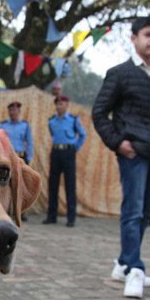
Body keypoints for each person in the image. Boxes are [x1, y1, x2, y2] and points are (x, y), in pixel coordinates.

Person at [91, 16, 150, 299]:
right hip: (134, 151)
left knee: (146, 213)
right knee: (132, 210)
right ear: (134, 38)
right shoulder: (120, 73)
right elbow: (99, 113)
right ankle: (136, 270)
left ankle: (123, 264)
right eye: (147, 34)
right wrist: (119, 143)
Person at [42, 84, 86, 227]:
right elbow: (52, 134)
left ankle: (71, 217)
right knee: (53, 184)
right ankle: (51, 216)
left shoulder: (73, 120)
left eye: (62, 103)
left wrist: (75, 148)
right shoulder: (51, 121)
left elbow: (83, 135)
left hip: (68, 153)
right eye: (58, 104)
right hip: (56, 152)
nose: (60, 106)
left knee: (70, 185)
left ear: (67, 105)